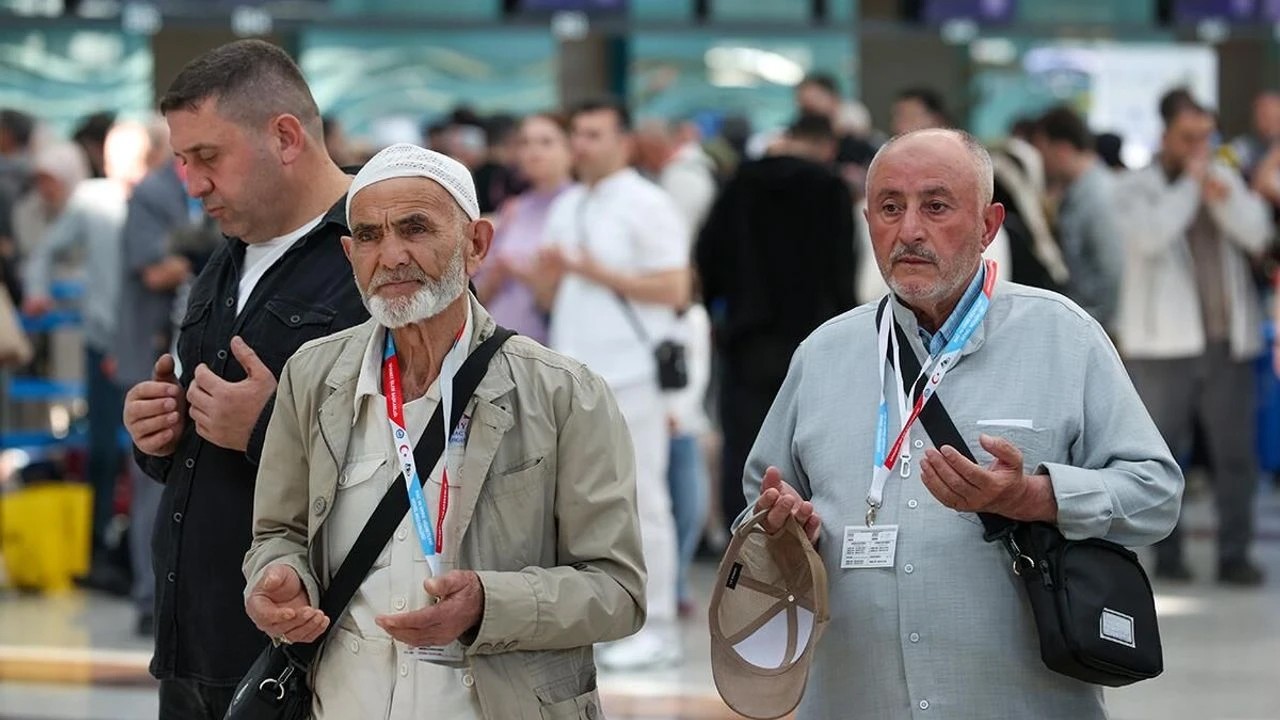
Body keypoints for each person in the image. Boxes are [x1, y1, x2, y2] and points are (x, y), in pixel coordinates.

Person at [741, 128, 1182, 719]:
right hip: (857, 700)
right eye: (890, 208)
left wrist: (1036, 497)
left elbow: (1156, 493)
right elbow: (758, 504)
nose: (909, 230)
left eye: (936, 206)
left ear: (988, 225)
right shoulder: (823, 354)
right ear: (867, 222)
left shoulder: (1063, 337)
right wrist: (779, 530)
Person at [242, 142, 645, 719]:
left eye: (416, 229)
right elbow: (277, 532)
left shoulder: (564, 393)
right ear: (350, 254)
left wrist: (488, 603)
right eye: (370, 237)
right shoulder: (312, 376)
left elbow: (618, 590)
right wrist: (278, 577)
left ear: (476, 244)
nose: (392, 256)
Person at [120, 39, 368, 719]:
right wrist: (159, 431)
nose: (193, 185)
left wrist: (266, 431)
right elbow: (203, 436)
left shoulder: (378, 256)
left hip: (304, 658)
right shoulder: (225, 258)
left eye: (208, 157)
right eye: (182, 161)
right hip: (194, 646)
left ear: (285, 137)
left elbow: (429, 461)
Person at [533, 98, 690, 669]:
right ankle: (595, 622)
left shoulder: (648, 203)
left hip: (632, 374)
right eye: (576, 133)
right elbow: (547, 296)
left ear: (623, 142)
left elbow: (675, 288)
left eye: (594, 134)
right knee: (576, 506)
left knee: (643, 499)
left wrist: (593, 270)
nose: (581, 144)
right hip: (571, 374)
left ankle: (658, 624)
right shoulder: (568, 204)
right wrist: (551, 275)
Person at [1116, 92, 1272, 586]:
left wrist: (1221, 198)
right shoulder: (1135, 186)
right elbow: (1150, 237)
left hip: (1227, 342)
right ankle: (1169, 557)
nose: (1199, 147)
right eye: (1189, 137)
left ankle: (1235, 555)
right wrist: (1190, 185)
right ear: (1164, 136)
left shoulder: (1220, 179)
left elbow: (1258, 234)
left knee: (1235, 456)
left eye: (1207, 136)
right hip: (1162, 347)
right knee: (1162, 455)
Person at [696, 112, 856, 536]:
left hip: (748, 338)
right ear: (827, 146)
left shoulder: (740, 183)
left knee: (745, 446)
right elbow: (843, 269)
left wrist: (719, 310)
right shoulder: (830, 188)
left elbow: (708, 256)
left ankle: (746, 543)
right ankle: (811, 538)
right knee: (816, 444)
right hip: (817, 338)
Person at [24, 121, 161, 599]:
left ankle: (141, 563)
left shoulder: (162, 201)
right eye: (113, 155)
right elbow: (44, 252)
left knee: (148, 454)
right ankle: (100, 551)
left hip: (149, 347)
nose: (119, 165)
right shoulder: (92, 200)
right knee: (102, 452)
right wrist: (38, 292)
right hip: (102, 345)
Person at [112, 122, 198, 636]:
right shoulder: (153, 193)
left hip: (182, 355)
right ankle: (149, 598)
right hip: (150, 356)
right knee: (149, 481)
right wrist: (202, 254)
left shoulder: (193, 190)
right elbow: (152, 269)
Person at [474, 112, 572, 343]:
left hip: (550, 345)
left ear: (569, 149)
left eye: (546, 142)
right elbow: (479, 290)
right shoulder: (513, 209)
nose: (533, 151)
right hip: (496, 340)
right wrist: (497, 275)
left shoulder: (578, 206)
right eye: (525, 143)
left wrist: (521, 272)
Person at [1033, 105, 1124, 330]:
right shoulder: (1077, 194)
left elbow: (1113, 272)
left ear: (1062, 150)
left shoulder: (1097, 197)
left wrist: (1094, 328)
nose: (1041, 163)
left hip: (1096, 326)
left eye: (1043, 152)